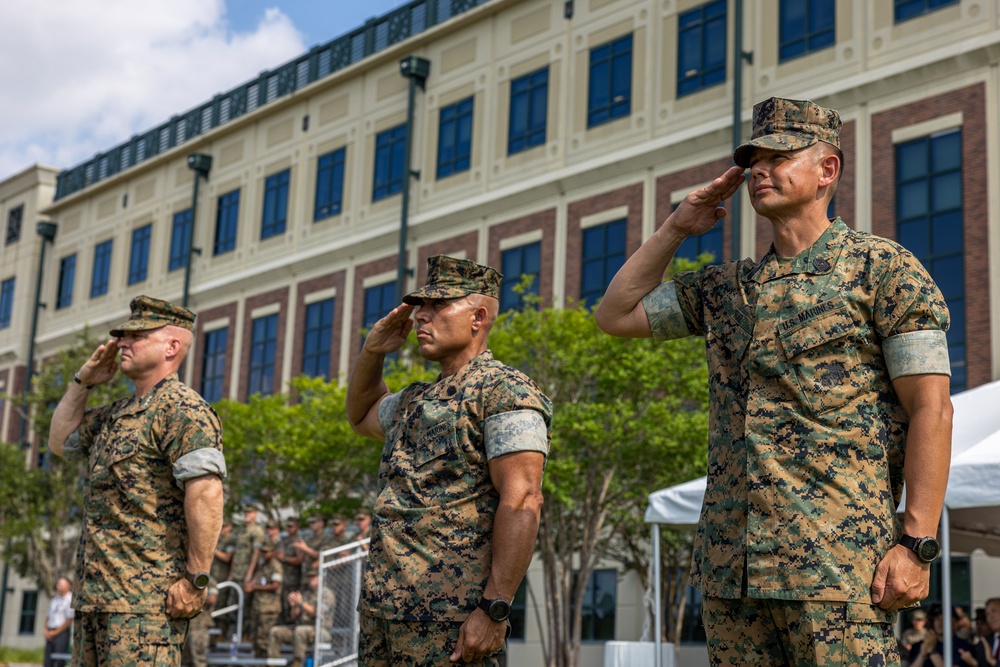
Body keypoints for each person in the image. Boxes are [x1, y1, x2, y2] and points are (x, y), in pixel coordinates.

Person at [594, 97, 954, 666]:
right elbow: (615, 314)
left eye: (779, 156)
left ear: (826, 171)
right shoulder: (724, 289)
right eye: (753, 160)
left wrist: (916, 544)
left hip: (837, 568)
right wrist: (676, 228)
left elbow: (932, 409)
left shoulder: (881, 269)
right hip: (732, 573)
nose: (760, 170)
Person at [346, 255, 552, 666]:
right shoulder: (412, 399)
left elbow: (524, 498)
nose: (422, 316)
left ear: (478, 317)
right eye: (421, 306)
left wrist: (494, 609)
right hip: (383, 612)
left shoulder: (504, 391)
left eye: (438, 306)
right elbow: (360, 415)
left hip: (450, 621)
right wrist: (373, 351)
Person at [47, 295, 226, 667]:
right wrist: (83, 381)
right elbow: (60, 443)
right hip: (94, 601)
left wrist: (196, 581)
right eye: (122, 336)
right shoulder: (116, 415)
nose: (121, 343)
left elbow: (206, 493)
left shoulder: (182, 409)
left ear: (171, 347)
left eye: (136, 336)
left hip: (144, 609)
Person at [267, 565, 334, 667]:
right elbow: (293, 616)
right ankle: (273, 664)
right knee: (275, 632)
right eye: (309, 577)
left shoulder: (327, 594)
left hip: (321, 631)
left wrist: (301, 603)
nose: (311, 579)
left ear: (321, 578)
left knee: (300, 631)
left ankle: (297, 663)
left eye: (314, 576)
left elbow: (318, 612)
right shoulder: (306, 593)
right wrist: (294, 606)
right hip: (302, 629)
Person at [247, 541, 283, 658]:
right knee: (256, 639)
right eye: (262, 552)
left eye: (266, 552)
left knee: (266, 640)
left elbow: (275, 585)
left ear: (272, 552)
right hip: (258, 607)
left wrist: (255, 587)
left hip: (269, 609)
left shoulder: (275, 566)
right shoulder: (262, 565)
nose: (264, 554)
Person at [181, 577, 218, 667]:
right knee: (184, 660)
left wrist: (190, 598)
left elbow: (212, 599)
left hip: (199, 627)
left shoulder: (207, 580)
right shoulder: (184, 578)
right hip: (184, 625)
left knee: (198, 659)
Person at [275, 517, 304, 623]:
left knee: (290, 605)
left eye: (291, 526)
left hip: (293, 581)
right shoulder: (282, 541)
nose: (289, 528)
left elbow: (299, 560)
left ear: (297, 527)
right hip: (281, 579)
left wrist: (284, 558)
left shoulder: (299, 541)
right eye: (287, 526)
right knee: (280, 607)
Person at [294, 514, 334, 584]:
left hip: (318, 576)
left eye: (313, 522)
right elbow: (301, 559)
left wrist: (305, 548)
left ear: (321, 523)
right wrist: (299, 549)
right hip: (306, 575)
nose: (311, 524)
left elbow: (322, 555)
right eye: (310, 522)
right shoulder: (308, 538)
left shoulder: (327, 538)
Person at [43, 576, 74, 667]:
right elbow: (48, 617)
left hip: (61, 633)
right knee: (48, 661)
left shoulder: (70, 599)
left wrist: (55, 633)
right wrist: (46, 630)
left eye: (60, 583)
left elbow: (69, 620)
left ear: (68, 586)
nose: (58, 585)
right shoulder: (54, 600)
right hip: (50, 631)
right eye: (58, 583)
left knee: (59, 660)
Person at [985, 598, 1000, 666]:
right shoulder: (984, 643)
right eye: (987, 614)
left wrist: (993, 662)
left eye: (994, 611)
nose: (990, 617)